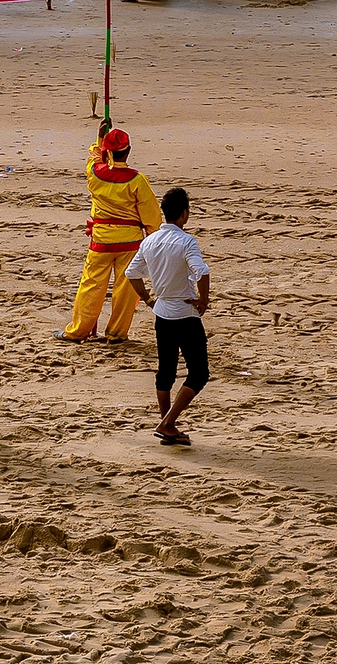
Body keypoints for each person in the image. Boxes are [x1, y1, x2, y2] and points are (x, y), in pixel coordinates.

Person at [127, 185, 210, 446]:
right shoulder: (186, 241)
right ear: (184, 213)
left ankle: (168, 425)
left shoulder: (150, 241)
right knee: (199, 373)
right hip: (185, 313)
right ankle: (167, 423)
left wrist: (148, 299)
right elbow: (202, 272)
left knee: (166, 372)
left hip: (162, 312)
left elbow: (132, 273)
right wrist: (204, 300)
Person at [62, 126, 157, 342]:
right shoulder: (137, 180)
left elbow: (96, 157)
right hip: (130, 242)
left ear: (108, 152)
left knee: (91, 286)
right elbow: (151, 216)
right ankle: (116, 333)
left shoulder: (95, 174)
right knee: (126, 289)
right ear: (129, 151)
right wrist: (153, 241)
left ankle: (78, 331)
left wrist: (100, 138)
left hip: (102, 241)